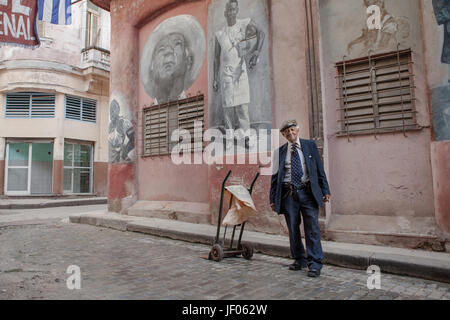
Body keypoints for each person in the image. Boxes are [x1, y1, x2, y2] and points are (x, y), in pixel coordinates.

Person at [270, 120, 331, 278]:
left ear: (297, 130)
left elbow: (319, 169)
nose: (290, 133)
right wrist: (272, 198)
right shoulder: (279, 152)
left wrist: (325, 189)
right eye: (286, 132)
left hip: (308, 192)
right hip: (289, 194)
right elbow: (275, 178)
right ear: (283, 135)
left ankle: (315, 263)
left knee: (312, 228)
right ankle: (299, 259)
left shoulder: (309, 146)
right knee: (293, 229)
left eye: (292, 130)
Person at [213, 0, 265, 149]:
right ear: (225, 12)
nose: (231, 12)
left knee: (242, 107)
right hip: (226, 73)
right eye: (228, 10)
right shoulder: (220, 34)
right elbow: (216, 58)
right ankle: (229, 139)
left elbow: (261, 33)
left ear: (237, 11)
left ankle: (246, 137)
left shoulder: (244, 24)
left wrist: (256, 52)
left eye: (233, 9)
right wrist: (215, 78)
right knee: (228, 108)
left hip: (240, 72)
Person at [140, 15, 206, 105]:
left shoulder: (192, 107)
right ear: (152, 66)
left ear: (189, 60)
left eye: (177, 43)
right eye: (161, 48)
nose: (168, 51)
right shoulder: (151, 112)